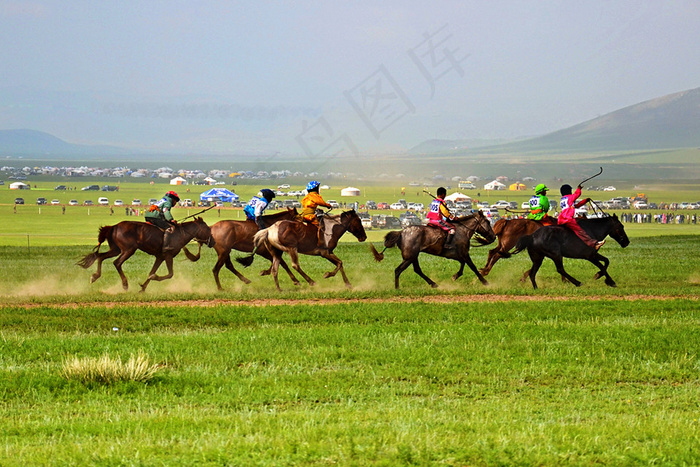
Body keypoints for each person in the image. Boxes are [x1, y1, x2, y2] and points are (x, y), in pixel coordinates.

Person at [558, 184, 604, 250]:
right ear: (568, 191)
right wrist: (579, 189)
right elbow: (577, 195)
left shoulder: (563, 199)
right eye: (571, 190)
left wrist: (585, 201)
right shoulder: (570, 197)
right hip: (568, 218)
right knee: (580, 231)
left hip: (562, 218)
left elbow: (576, 206)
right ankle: (594, 244)